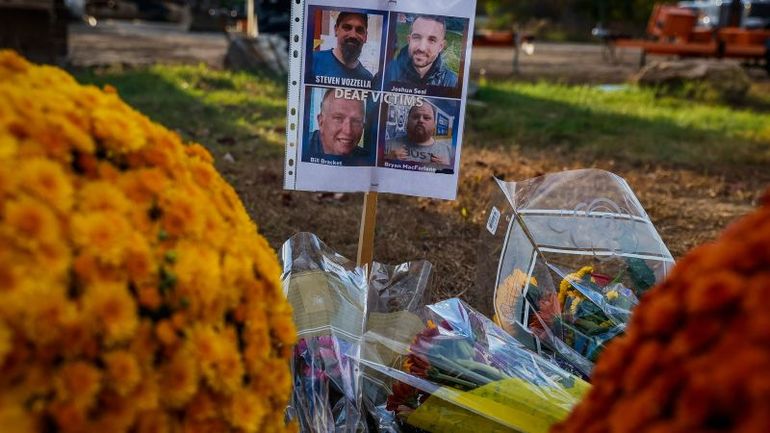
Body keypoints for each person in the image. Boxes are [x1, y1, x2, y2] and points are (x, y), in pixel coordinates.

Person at [384, 15, 457, 88]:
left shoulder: (451, 82)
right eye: (417, 37)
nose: (422, 48)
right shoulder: (386, 74)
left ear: (441, 46)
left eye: (432, 40)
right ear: (409, 40)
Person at [311, 12, 374, 84]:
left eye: (359, 30)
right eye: (347, 27)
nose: (353, 35)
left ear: (365, 37)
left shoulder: (368, 79)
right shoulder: (313, 61)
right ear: (336, 30)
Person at [385, 103, 452, 170]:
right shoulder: (387, 145)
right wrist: (387, 160)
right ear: (407, 122)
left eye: (426, 118)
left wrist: (447, 167)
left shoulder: (448, 152)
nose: (420, 120)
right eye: (415, 117)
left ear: (434, 125)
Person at [308, 89, 368, 157]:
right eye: (338, 118)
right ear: (321, 122)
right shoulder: (299, 148)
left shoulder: (367, 159)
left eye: (356, 121)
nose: (348, 131)